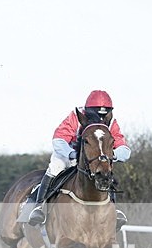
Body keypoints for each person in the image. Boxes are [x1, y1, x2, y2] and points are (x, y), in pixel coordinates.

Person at [28, 89, 131, 229]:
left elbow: (124, 149)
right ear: (89, 111)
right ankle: (39, 207)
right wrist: (70, 153)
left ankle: (113, 210)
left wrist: (113, 154)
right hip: (69, 153)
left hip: (94, 158)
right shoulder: (76, 117)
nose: (101, 119)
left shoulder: (111, 123)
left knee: (106, 171)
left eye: (104, 114)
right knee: (55, 168)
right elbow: (58, 139)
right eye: (98, 114)